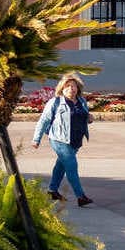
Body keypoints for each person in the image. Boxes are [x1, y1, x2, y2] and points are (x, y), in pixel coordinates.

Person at [32, 73, 94, 206]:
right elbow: (43, 121)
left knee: (61, 165)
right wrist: (36, 139)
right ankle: (81, 196)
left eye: (74, 86)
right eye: (68, 86)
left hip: (75, 140)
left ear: (78, 88)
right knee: (71, 166)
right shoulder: (55, 102)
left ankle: (52, 190)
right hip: (59, 140)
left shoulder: (82, 101)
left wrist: (89, 118)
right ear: (62, 88)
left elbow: (83, 117)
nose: (71, 89)